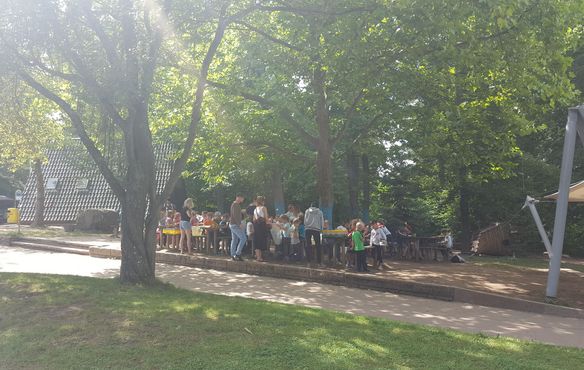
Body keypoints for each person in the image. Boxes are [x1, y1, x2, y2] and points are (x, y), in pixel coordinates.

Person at [229, 194, 246, 261]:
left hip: (232, 224)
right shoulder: (235, 204)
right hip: (235, 225)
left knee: (234, 240)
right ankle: (238, 253)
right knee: (243, 238)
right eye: (242, 198)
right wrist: (239, 224)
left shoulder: (235, 204)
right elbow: (235, 215)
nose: (242, 200)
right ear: (238, 197)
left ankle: (233, 254)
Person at [253, 196, 269, 262]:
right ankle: (260, 256)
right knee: (262, 239)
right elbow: (266, 217)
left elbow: (254, 219)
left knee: (257, 240)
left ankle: (258, 256)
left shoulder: (255, 209)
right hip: (262, 225)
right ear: (262, 201)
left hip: (256, 225)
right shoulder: (263, 208)